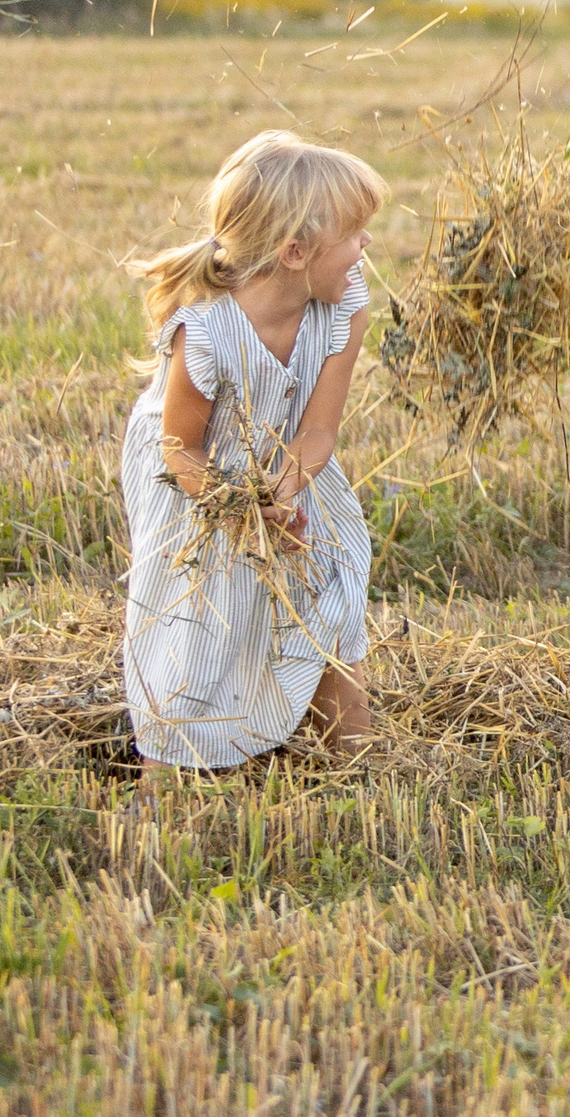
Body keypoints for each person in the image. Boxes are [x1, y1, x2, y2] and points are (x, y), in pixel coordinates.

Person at [120, 131, 388, 773]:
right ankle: (165, 776)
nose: (366, 247)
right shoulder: (207, 332)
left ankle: (353, 759)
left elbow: (319, 431)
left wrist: (286, 493)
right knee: (196, 618)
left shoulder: (343, 310)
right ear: (296, 252)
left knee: (330, 581)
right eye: (353, 235)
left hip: (289, 461)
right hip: (195, 480)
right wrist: (239, 505)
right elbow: (178, 449)